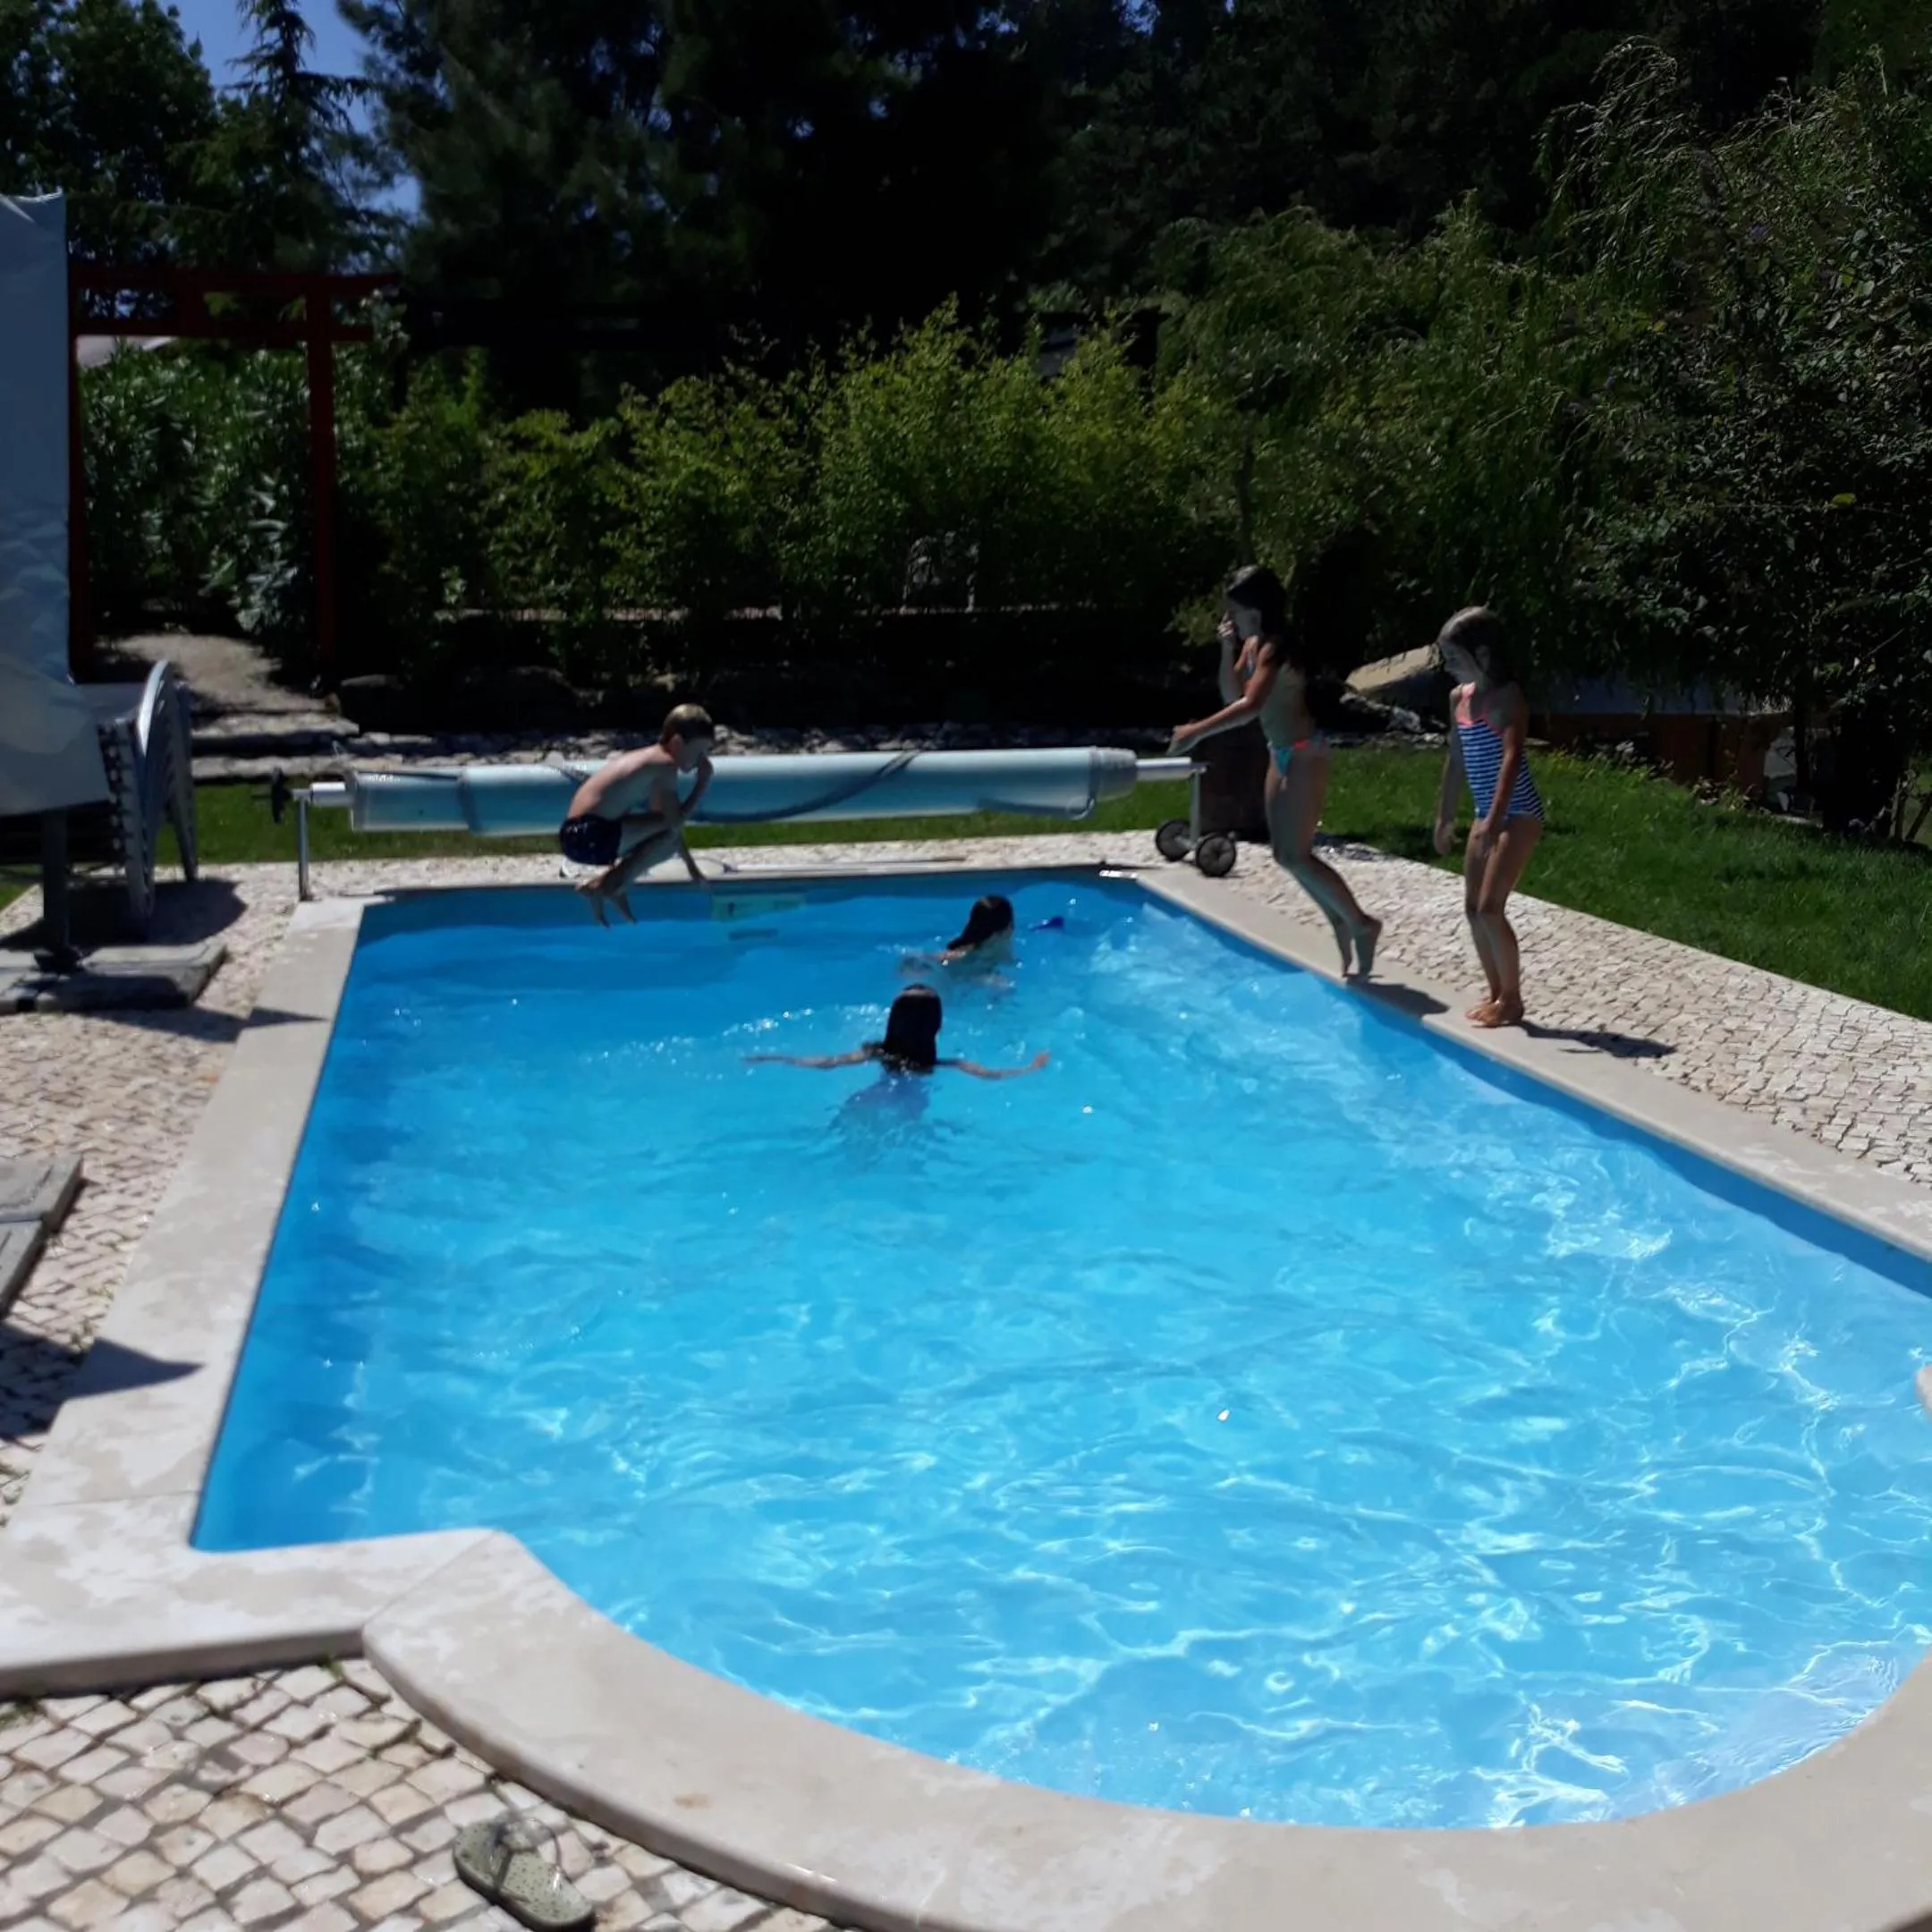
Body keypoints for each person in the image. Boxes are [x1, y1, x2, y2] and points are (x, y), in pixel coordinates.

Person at [1169, 564, 1383, 976]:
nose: (1229, 617)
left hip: (1304, 754)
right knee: (1286, 856)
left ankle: (1361, 923)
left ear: (1255, 610)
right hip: (1281, 752)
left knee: (1296, 855)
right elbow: (1232, 694)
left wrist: (1196, 732)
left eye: (1234, 611)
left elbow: (1250, 707)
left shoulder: (1276, 648)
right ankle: (1341, 920)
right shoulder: (1253, 646)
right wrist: (1228, 649)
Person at [1432, 606, 1544, 1029]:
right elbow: (1456, 760)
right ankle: (1497, 993)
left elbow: (1512, 759)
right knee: (1472, 908)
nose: (1448, 667)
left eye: (1454, 658)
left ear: (1483, 654)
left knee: (1490, 908)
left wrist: (1494, 821)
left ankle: (1512, 1000)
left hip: (1518, 813)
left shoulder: (1507, 697)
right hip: (1486, 814)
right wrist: (1445, 816)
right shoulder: (1458, 699)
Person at [559, 704, 716, 925]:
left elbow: (665, 825)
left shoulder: (653, 759)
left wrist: (692, 868)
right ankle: (609, 886)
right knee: (668, 839)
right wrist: (701, 785)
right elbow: (674, 823)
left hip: (577, 837)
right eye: (699, 752)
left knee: (665, 839)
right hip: (589, 837)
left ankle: (614, 886)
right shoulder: (665, 764)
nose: (702, 761)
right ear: (677, 743)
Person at [745, 984, 1048, 1080]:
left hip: (869, 1098)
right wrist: (1031, 1067)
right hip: (907, 1110)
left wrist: (779, 1058)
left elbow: (829, 1063)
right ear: (937, 1025)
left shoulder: (876, 1052)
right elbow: (990, 1075)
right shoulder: (941, 1064)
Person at [902, 894, 1015, 974]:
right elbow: (910, 962)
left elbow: (910, 962)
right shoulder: (959, 959)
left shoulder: (959, 956)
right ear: (1008, 929)